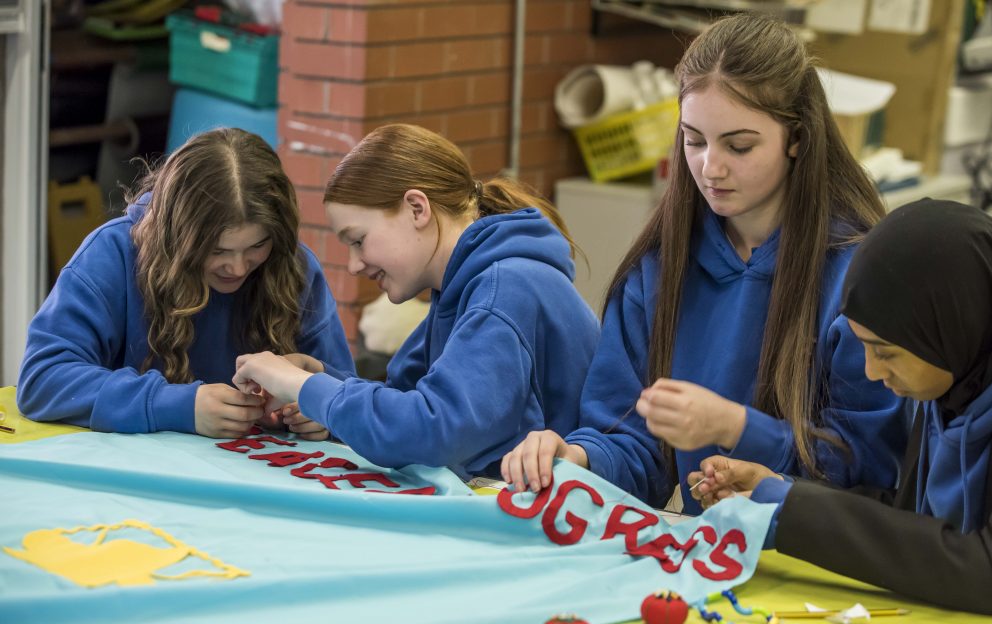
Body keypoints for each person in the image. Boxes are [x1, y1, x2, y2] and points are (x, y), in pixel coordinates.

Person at [500, 13, 907, 512]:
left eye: (740, 146)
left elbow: (872, 469)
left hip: (822, 564)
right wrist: (578, 456)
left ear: (797, 139)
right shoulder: (658, 270)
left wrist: (736, 429)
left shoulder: (856, 272)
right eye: (694, 141)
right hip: (713, 554)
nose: (710, 168)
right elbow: (632, 446)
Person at [688, 199, 992, 616]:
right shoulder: (958, 386)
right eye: (864, 346)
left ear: (956, 326)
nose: (872, 370)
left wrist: (792, 513)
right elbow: (909, 516)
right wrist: (783, 493)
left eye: (886, 352)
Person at [231, 124, 600, 480]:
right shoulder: (460, 287)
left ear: (416, 209)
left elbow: (432, 430)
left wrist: (299, 385)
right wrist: (321, 384)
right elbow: (402, 400)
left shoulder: (503, 288)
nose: (354, 265)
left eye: (358, 240)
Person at [17, 128, 355, 440]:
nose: (237, 267)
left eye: (256, 246)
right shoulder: (113, 253)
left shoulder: (294, 266)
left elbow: (352, 393)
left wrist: (322, 408)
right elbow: (42, 380)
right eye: (217, 250)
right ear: (175, 236)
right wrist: (176, 406)